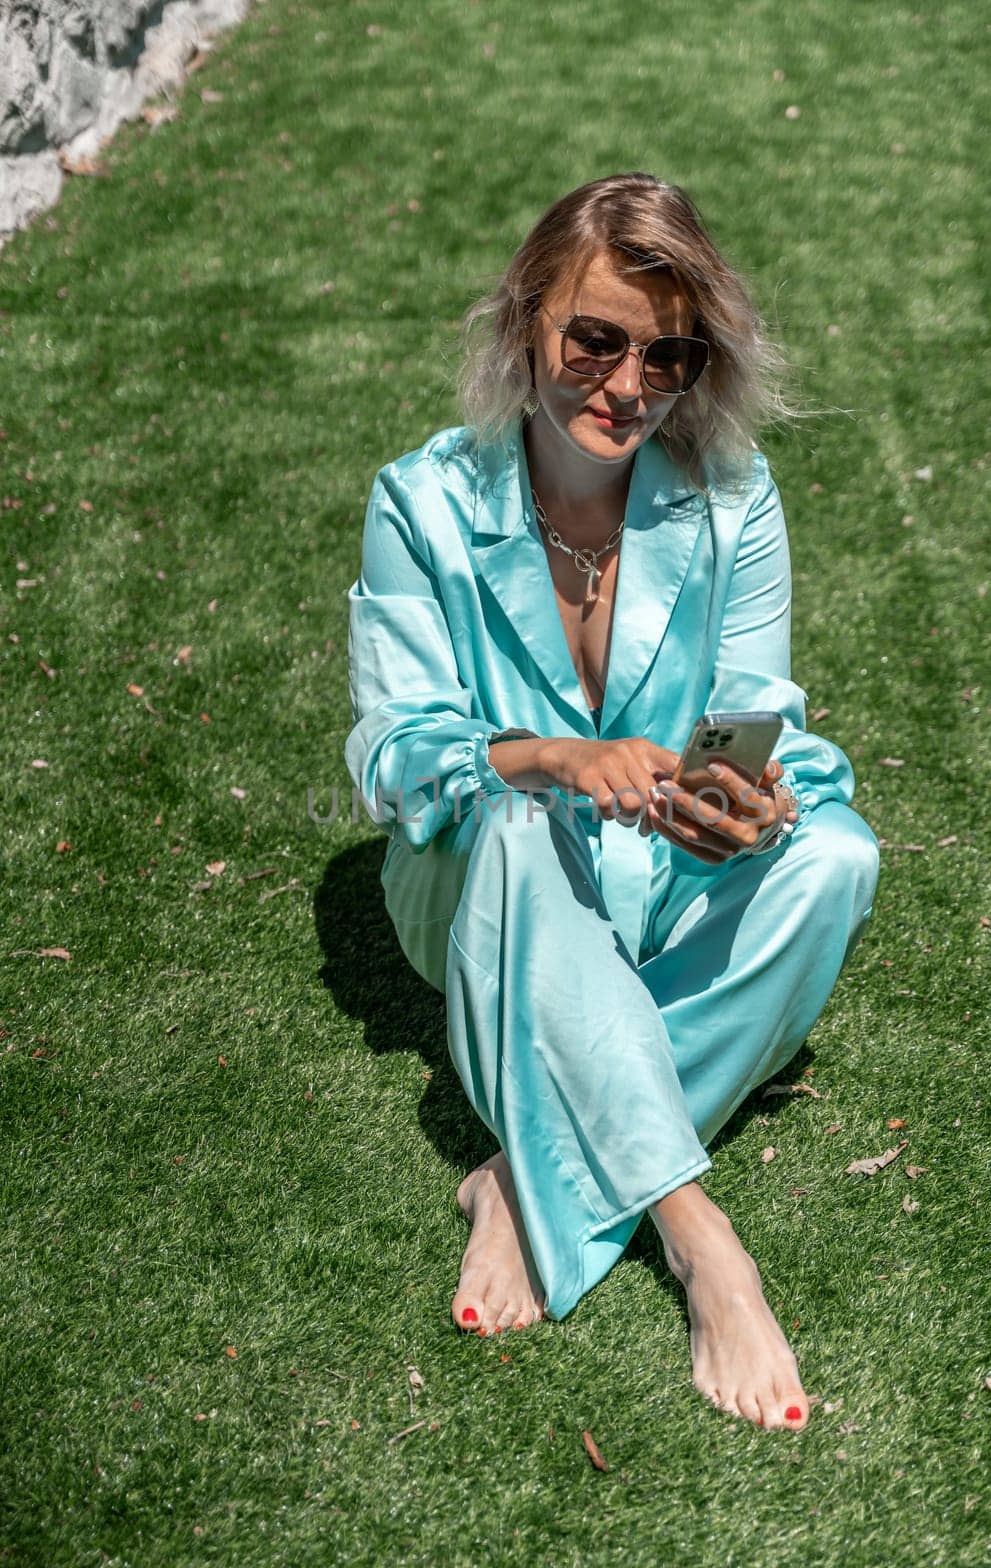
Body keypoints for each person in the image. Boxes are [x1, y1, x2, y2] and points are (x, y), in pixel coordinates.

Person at [345, 172, 880, 1433]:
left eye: (668, 356)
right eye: (594, 339)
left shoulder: (733, 499)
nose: (626, 386)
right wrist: (545, 758)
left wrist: (757, 808)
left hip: (659, 875)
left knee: (838, 859)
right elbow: (395, 756)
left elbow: (761, 726)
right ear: (527, 320)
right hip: (484, 887)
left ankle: (526, 1187)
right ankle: (698, 1237)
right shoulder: (418, 503)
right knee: (517, 821)